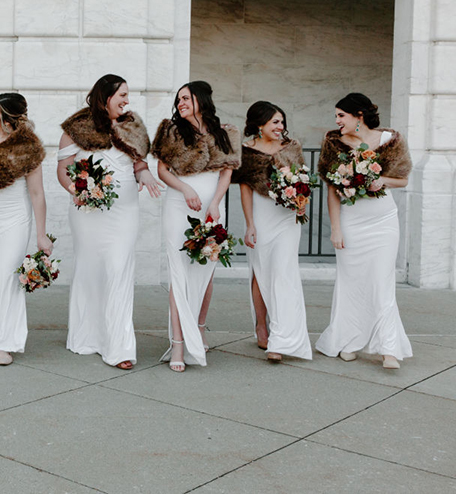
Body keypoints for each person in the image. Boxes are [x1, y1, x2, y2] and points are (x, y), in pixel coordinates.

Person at [56, 75, 160, 370]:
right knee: (90, 271)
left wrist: (146, 174)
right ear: (105, 97)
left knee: (119, 270)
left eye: (128, 96)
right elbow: (63, 170)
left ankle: (119, 347)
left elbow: (139, 164)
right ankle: (89, 336)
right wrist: (77, 191)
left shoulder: (133, 127)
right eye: (122, 95)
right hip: (87, 214)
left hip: (124, 213)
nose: (127, 101)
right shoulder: (76, 128)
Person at [315, 93, 412, 370]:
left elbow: (403, 179)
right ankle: (348, 341)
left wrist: (379, 180)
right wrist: (336, 228)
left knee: (382, 282)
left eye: (341, 115)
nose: (337, 121)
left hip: (383, 222)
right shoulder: (334, 144)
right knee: (352, 283)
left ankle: (389, 348)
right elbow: (332, 190)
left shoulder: (389, 141)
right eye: (336, 116)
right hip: (352, 222)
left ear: (359, 115)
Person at [152, 81, 240, 372]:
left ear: (201, 99)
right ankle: (178, 344)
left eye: (186, 98)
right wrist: (185, 190)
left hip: (213, 209)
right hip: (179, 206)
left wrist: (215, 202)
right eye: (178, 99)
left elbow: (227, 171)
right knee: (179, 275)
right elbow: (162, 170)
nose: (181, 103)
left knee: (206, 273)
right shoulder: (171, 132)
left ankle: (198, 330)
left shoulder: (226, 133)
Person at [0, 93, 51, 366]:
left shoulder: (28, 148)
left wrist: (41, 235)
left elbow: (37, 194)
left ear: (7, 120)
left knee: (7, 277)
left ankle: (6, 342)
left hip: (13, 218)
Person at [232, 101, 312, 362]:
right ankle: (261, 325)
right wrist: (250, 224)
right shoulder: (246, 151)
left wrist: (301, 203)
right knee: (261, 271)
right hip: (262, 216)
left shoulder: (292, 147)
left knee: (284, 272)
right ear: (260, 124)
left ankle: (281, 337)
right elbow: (244, 187)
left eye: (282, 121)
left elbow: (302, 180)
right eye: (275, 122)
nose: (281, 127)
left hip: (287, 218)